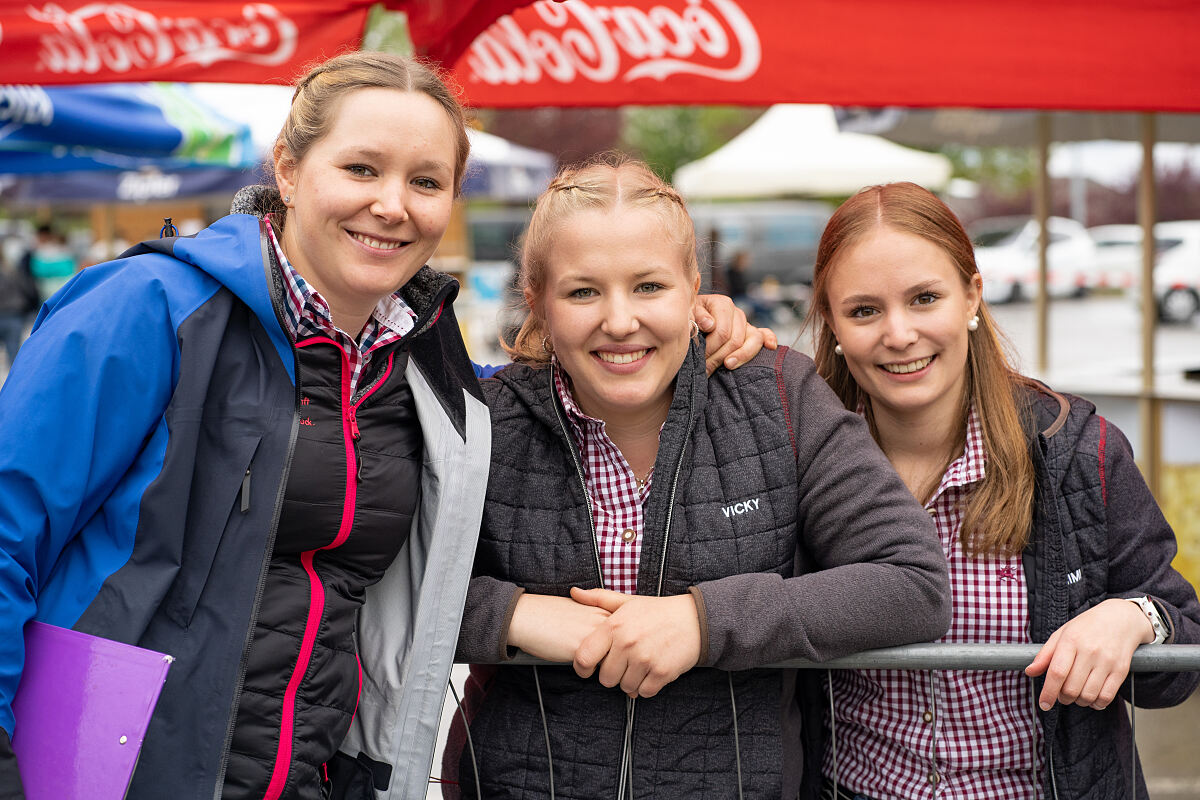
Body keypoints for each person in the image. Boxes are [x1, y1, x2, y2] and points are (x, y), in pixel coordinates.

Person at [0, 54, 772, 800]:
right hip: (102, 767)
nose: (393, 204)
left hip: (310, 776)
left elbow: (563, 379)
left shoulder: (423, 364)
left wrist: (674, 324)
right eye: (362, 169)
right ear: (289, 169)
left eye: (426, 181)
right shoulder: (147, 307)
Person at [447, 158, 953, 799]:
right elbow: (386, 589)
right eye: (583, 292)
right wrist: (513, 614)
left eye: (650, 287)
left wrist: (704, 622)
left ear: (696, 290)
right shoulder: (490, 423)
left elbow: (911, 585)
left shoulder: (776, 395)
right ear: (538, 303)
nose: (620, 320)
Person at [809, 182, 1200, 800]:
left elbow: (1178, 652)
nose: (899, 333)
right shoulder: (803, 456)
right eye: (864, 310)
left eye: (924, 298)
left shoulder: (1077, 449)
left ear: (973, 295)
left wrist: (1134, 619)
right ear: (830, 321)